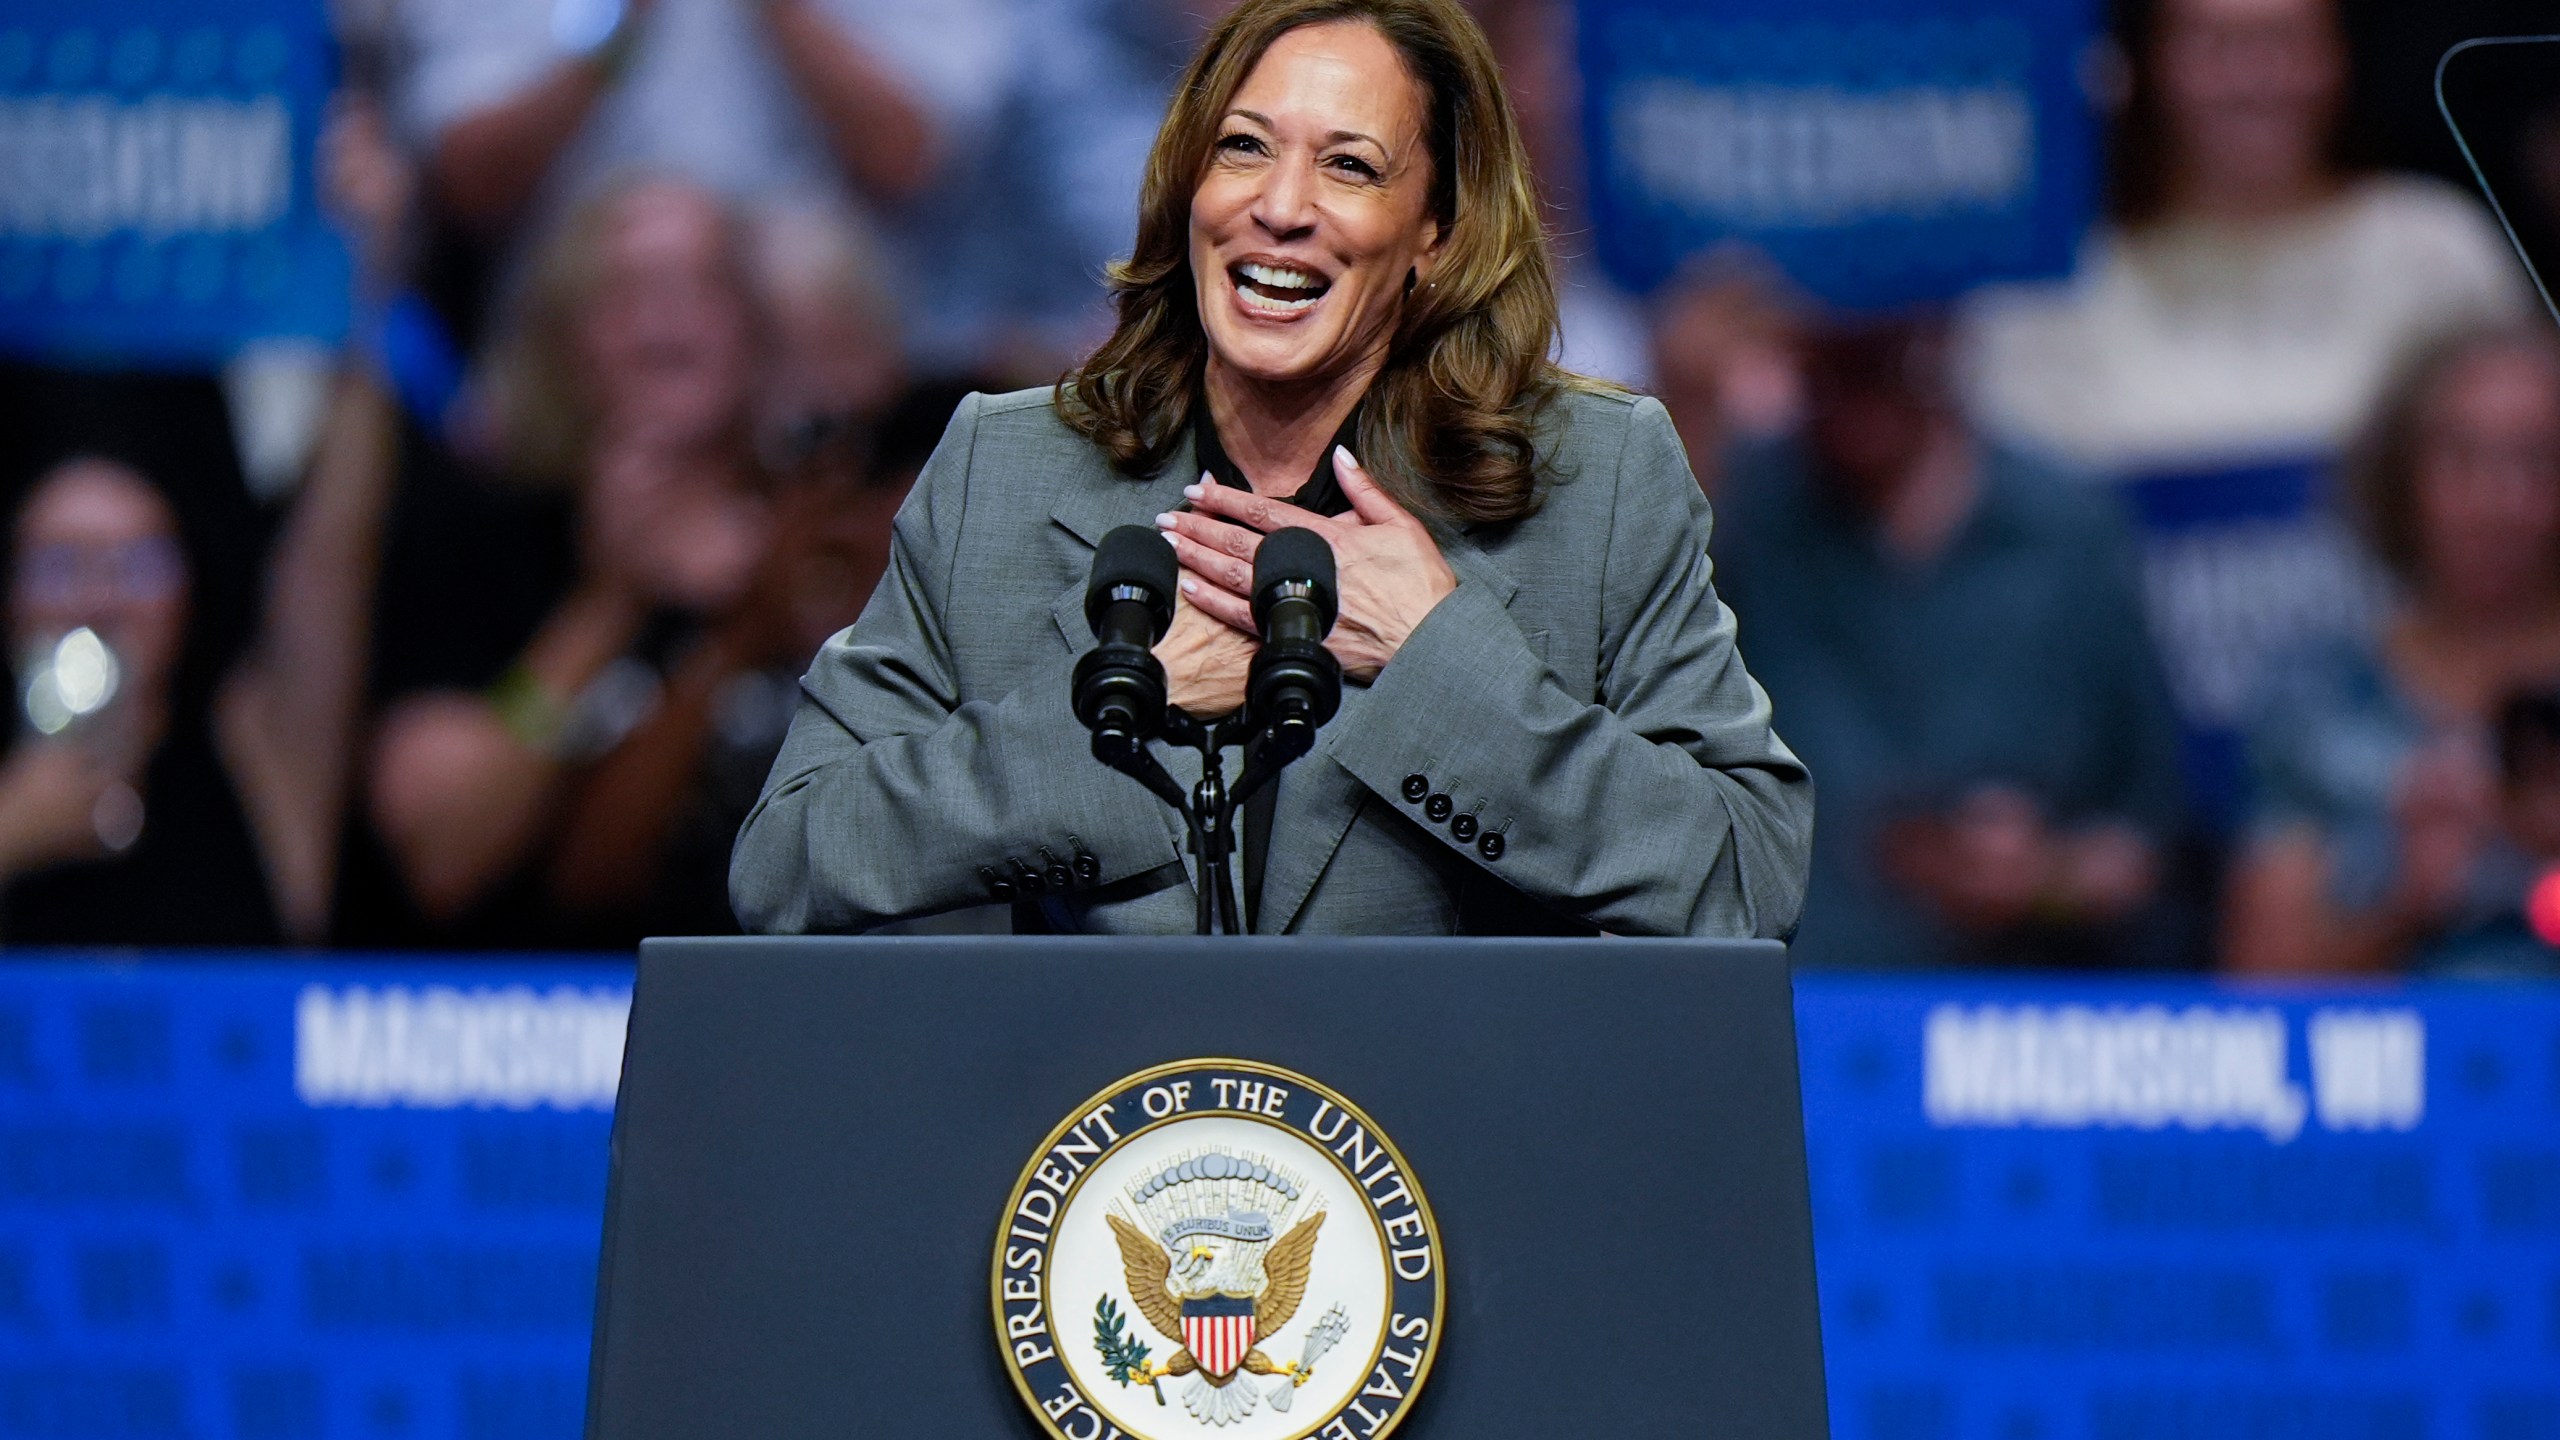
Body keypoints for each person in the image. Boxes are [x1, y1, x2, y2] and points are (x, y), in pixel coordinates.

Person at [731, 0, 1813, 938]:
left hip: (1446, 1158)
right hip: (1099, 1151)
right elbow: (791, 863)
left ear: (1435, 228)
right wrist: (1121, 708)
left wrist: (1438, 666)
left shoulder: (1597, 481)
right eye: (1244, 148)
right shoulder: (1002, 471)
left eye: (1350, 165)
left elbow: (1741, 874)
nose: (1281, 207)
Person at [1956, 0, 2532, 825]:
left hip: (2401, 802)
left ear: (2340, 57)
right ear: (2147, 64)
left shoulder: (2435, 252)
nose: (2257, 79)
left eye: (2287, 42)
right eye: (2217, 44)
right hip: (2113, 800)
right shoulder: (2050, 283)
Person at [352, 177, 896, 947]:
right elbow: (442, 852)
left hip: (796, 991)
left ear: (755, 332)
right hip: (536, 1004)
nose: (662, 320)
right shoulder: (479, 531)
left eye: (700, 286)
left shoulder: (835, 530)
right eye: (621, 293)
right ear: (562, 342)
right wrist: (607, 606)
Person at [1715, 316, 2189, 970]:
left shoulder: (2071, 534)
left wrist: (2042, 877)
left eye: (1884, 347)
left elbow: (2148, 843)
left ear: (1943, 332)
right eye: (1830, 354)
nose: (1859, 371)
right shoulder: (1742, 513)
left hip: (2017, 1005)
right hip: (1802, 998)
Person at [2226, 325, 2560, 974]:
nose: (2498, 501)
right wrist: (2407, 896)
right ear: (2402, 475)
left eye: (2538, 462)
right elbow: (2261, 997)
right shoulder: (2316, 697)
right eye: (2462, 458)